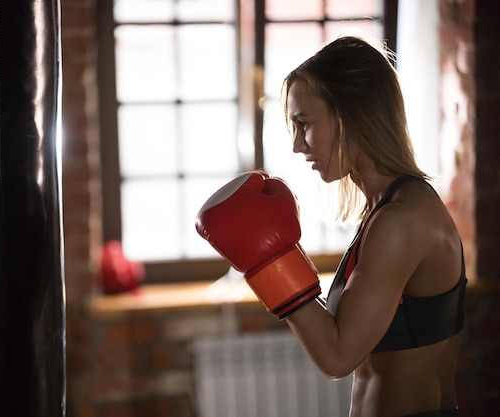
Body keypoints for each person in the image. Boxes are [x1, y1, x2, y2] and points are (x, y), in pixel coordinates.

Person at [196, 36, 466, 417]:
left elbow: (338, 356)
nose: (296, 145)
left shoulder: (404, 219)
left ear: (351, 114)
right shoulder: (382, 212)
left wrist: (271, 261)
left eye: (303, 123)